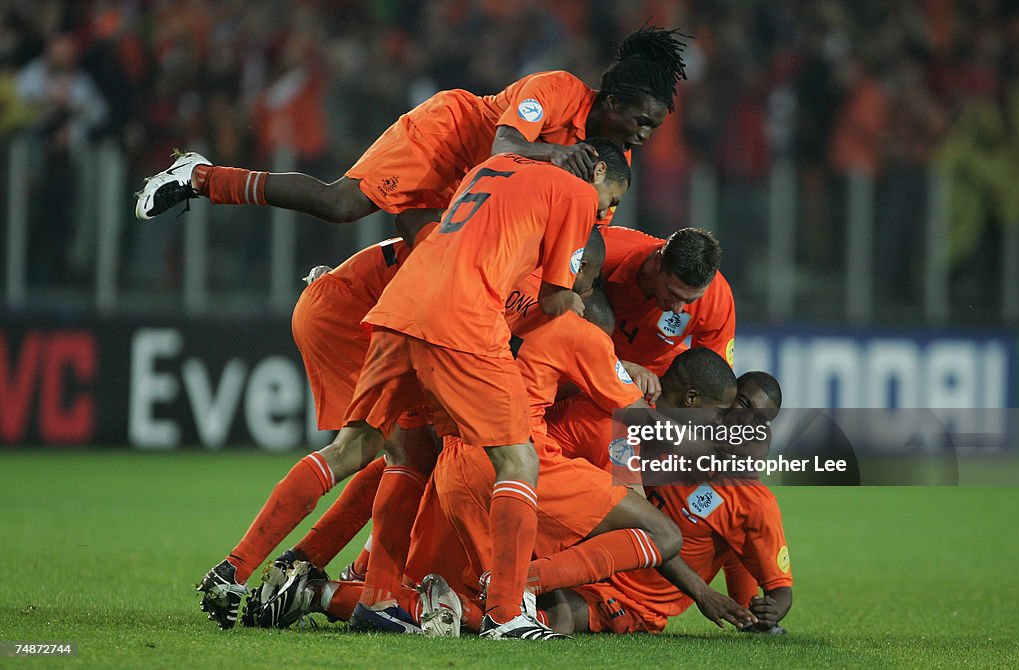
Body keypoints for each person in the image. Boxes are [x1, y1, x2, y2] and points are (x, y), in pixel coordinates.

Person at [316, 139, 630, 641]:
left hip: (403, 306)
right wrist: (576, 309)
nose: (607, 211)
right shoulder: (576, 199)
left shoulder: (495, 164)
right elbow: (554, 302)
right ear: (594, 170)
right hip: (463, 323)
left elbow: (435, 225)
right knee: (521, 463)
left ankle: (263, 573)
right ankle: (508, 615)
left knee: (364, 450)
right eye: (610, 197)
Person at [134, 26, 686, 232]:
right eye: (639, 119)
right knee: (340, 206)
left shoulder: (615, 160)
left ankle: (335, 292)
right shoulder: (560, 89)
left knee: (439, 259)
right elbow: (506, 145)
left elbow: (588, 229)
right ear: (610, 99)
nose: (643, 133)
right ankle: (203, 177)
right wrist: (554, 159)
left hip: (475, 192)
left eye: (653, 127)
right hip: (448, 134)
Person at [195, 232, 437, 630]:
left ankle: (292, 567)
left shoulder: (453, 224)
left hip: (336, 302)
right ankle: (371, 597)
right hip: (357, 316)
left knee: (393, 450)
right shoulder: (488, 244)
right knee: (386, 451)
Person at [544, 368, 793, 635]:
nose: (745, 419)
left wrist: (767, 612)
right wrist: (629, 366)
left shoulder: (751, 498)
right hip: (578, 556)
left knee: (562, 615)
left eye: (758, 418)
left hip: (631, 599)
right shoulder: (668, 434)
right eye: (742, 403)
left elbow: (778, 588)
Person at [600, 227, 736, 405]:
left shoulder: (717, 298)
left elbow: (711, 384)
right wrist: (617, 367)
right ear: (658, 261)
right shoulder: (605, 251)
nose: (678, 308)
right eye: (673, 293)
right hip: (593, 362)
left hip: (653, 384)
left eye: (690, 300)